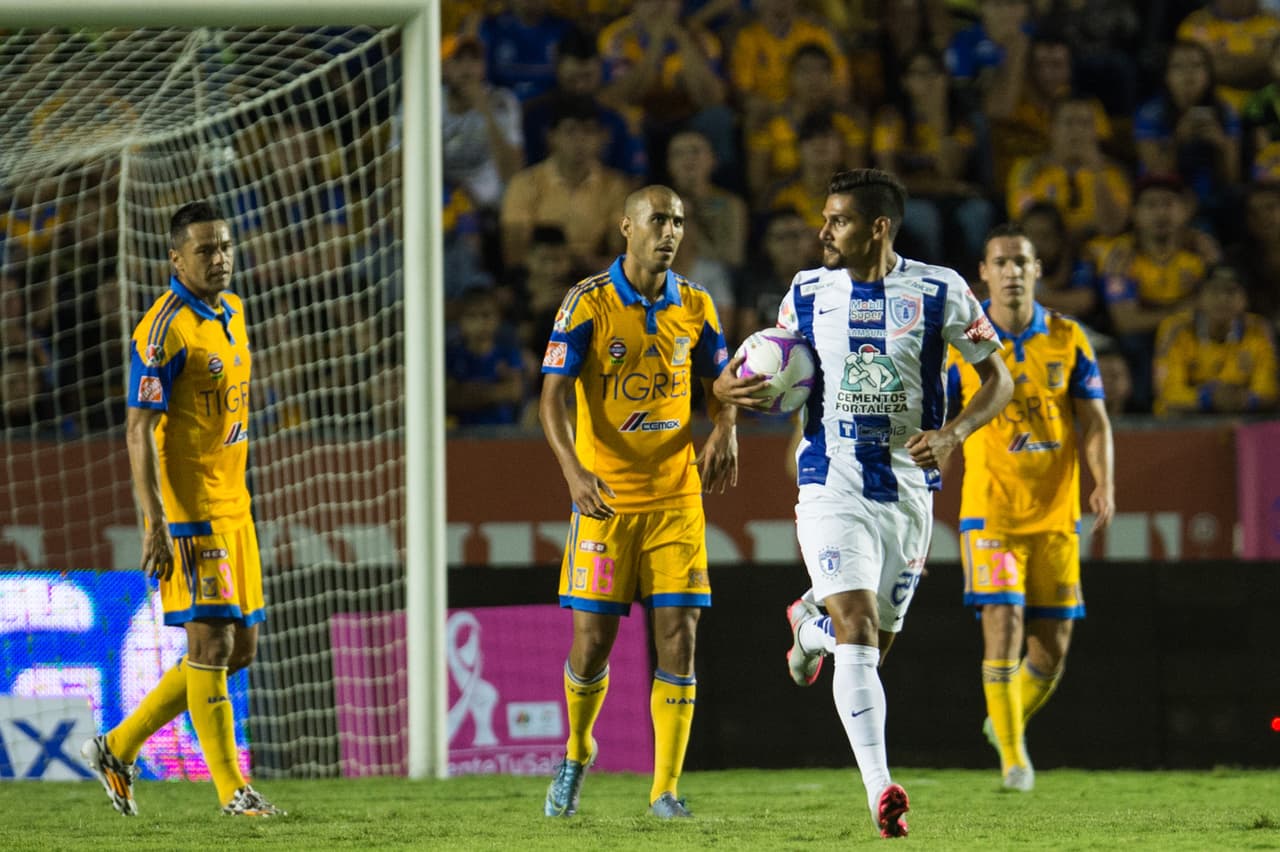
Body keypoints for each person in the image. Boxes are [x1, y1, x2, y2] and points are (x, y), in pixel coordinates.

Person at [713, 168, 1014, 838]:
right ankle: (882, 791)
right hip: (831, 476)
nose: (823, 231)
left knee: (873, 646)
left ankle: (804, 626)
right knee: (856, 627)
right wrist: (727, 410)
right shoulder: (806, 291)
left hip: (908, 486)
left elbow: (1000, 378)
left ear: (878, 227)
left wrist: (957, 431)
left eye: (838, 220)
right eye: (823, 219)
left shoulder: (940, 291)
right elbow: (761, 363)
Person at [540, 185, 740, 820]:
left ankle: (665, 791)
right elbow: (551, 397)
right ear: (625, 227)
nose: (671, 231)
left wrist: (726, 427)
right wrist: (572, 471)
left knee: (679, 635)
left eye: (679, 221)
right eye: (659, 220)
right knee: (593, 643)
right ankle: (577, 749)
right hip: (605, 502)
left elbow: (722, 383)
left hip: (678, 499)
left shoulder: (698, 304)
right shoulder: (588, 302)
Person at [80, 202, 282, 818]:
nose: (219, 258)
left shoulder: (234, 311)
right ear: (176, 258)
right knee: (211, 646)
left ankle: (117, 746)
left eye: (224, 246)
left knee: (239, 650)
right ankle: (233, 793)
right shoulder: (162, 328)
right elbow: (138, 429)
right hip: (189, 510)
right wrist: (155, 520)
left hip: (235, 506)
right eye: (204, 250)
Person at [946, 223, 1115, 792]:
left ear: (1037, 271)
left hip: (1056, 514)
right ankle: (1015, 761)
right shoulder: (963, 344)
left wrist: (1104, 483)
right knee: (1003, 624)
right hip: (990, 512)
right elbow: (939, 419)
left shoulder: (1069, 338)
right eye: (1002, 262)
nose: (1013, 272)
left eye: (1022, 262)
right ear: (984, 275)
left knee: (1051, 649)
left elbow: (1094, 421)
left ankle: (1004, 721)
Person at [1152, 264, 1279, 417]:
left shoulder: (1259, 329)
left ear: (1245, 299)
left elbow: (1269, 389)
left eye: (1231, 291)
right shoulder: (1175, 328)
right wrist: (1208, 398)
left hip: (1244, 416)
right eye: (1214, 290)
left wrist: (1245, 399)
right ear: (1199, 297)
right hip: (1189, 419)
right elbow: (1167, 391)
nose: (1222, 299)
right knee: (1169, 410)